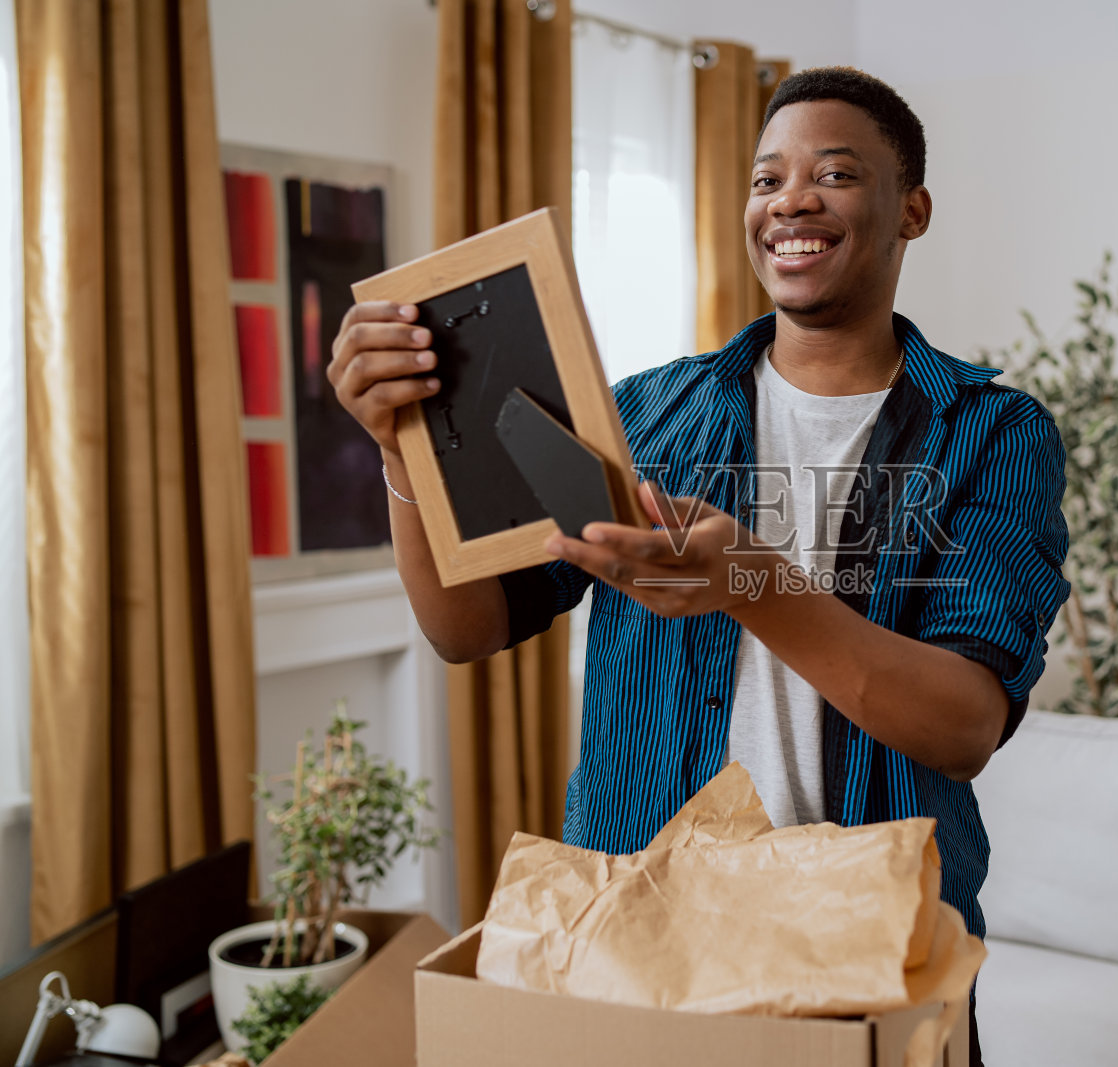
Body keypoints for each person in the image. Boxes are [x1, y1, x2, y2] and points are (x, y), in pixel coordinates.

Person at [330, 66, 1069, 1065]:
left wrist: (748, 582)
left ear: (912, 211)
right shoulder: (644, 414)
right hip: (642, 943)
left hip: (868, 958)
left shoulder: (993, 432)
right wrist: (398, 450)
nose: (791, 199)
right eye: (767, 180)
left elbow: (963, 723)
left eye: (835, 174)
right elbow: (468, 628)